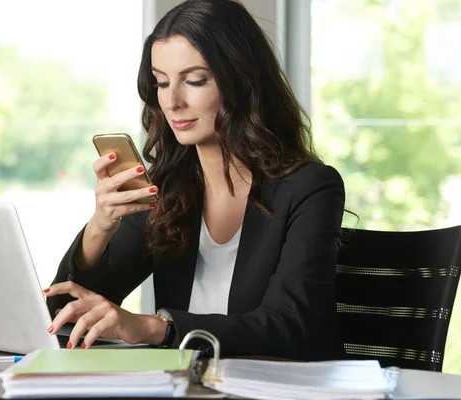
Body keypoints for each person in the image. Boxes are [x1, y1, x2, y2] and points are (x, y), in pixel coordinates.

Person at [43, 0, 346, 360]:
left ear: (241, 80)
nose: (172, 101)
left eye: (195, 81)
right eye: (160, 82)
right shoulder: (167, 188)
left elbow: (287, 326)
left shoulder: (310, 187)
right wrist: (100, 227)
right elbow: (62, 315)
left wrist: (155, 326)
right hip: (187, 385)